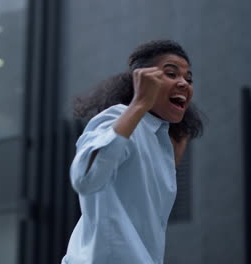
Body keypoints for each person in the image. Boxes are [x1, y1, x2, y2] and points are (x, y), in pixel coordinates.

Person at [61, 40, 203, 264]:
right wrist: (139, 104)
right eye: (171, 73)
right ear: (143, 79)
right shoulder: (119, 117)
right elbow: (85, 178)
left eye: (188, 78)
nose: (183, 83)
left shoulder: (159, 137)